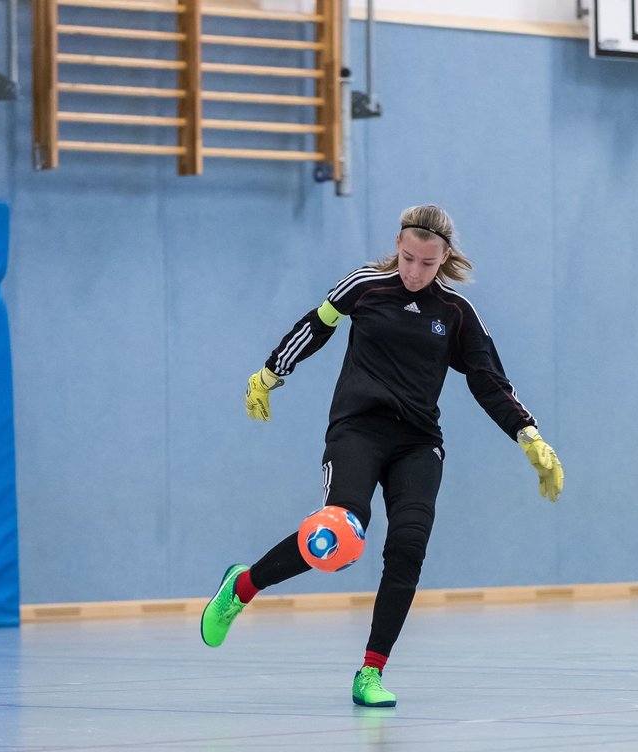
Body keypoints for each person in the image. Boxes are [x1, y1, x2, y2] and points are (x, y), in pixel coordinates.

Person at [201, 204, 564, 707]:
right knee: (340, 534)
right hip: (358, 431)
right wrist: (270, 374)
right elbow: (317, 326)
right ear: (398, 244)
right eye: (409, 258)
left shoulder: (455, 313)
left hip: (418, 443)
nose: (416, 272)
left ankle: (370, 673)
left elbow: (487, 380)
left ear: (445, 260)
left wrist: (529, 436)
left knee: (408, 548)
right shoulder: (365, 286)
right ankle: (241, 587)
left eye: (428, 264)